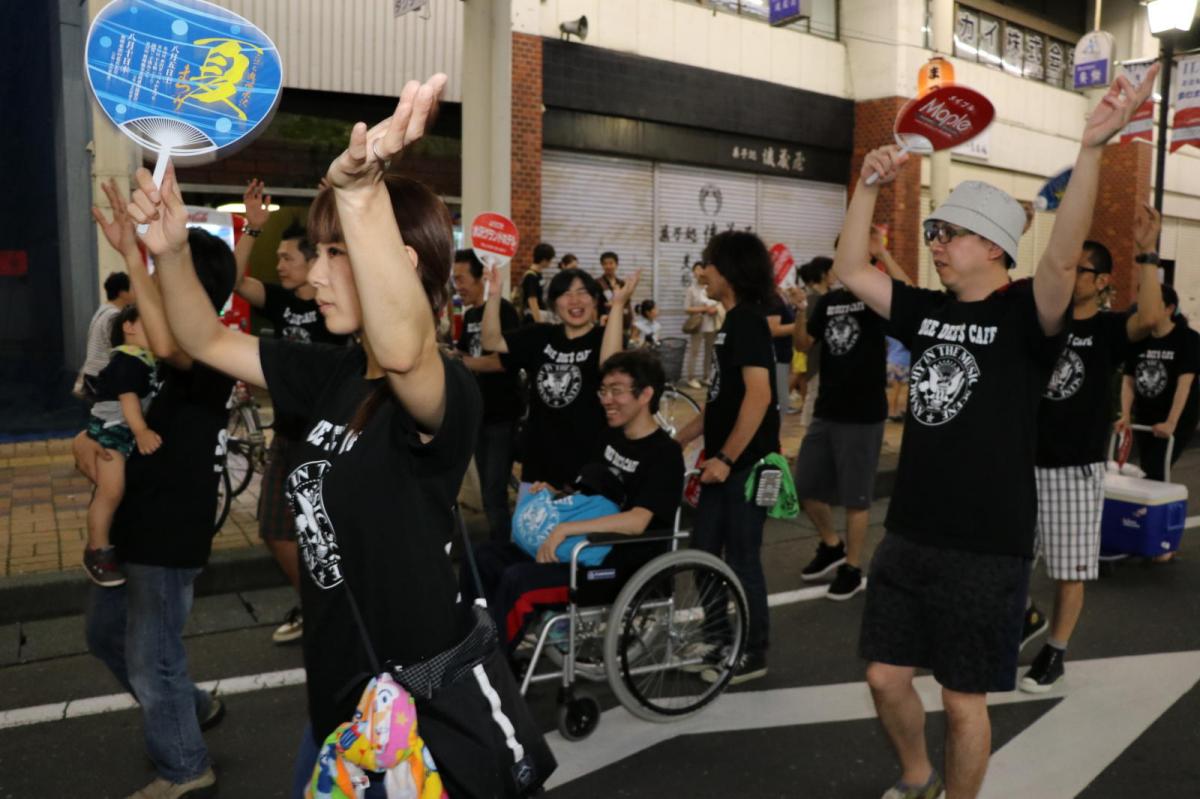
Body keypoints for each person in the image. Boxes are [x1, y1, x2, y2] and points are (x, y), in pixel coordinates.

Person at [122, 76, 533, 798]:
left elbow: (405, 350)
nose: (312, 276)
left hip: (415, 722)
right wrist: (173, 250)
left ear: (399, 263)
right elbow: (202, 339)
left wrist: (362, 191)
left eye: (331, 253)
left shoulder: (445, 387)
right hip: (341, 710)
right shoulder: (329, 373)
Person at [840, 66, 1156, 799]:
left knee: (962, 700)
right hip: (910, 533)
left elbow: (1062, 256)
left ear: (992, 246)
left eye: (947, 233)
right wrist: (866, 185)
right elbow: (853, 267)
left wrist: (1092, 148)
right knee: (884, 676)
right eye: (934, 233)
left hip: (987, 544)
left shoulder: (1026, 317)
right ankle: (917, 775)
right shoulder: (928, 311)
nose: (935, 243)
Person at [80, 179, 237, 798]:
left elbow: (174, 345)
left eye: (170, 269)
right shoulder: (145, 349)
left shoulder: (210, 352)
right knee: (105, 635)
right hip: (134, 525)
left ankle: (184, 767)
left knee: (153, 658)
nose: (157, 281)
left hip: (168, 535)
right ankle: (187, 707)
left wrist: (134, 252)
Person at [1021, 216, 1165, 694]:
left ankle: (1055, 652)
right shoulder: (1045, 321)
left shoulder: (1107, 330)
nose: (1069, 275)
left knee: (1069, 569)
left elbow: (1149, 318)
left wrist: (1147, 253)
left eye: (1080, 270)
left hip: (1074, 468)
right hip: (1024, 461)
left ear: (1102, 281)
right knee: (1010, 557)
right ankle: (1025, 617)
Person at [461, 349, 684, 651]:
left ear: (645, 394)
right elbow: (588, 493)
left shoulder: (665, 454)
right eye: (603, 390)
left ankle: (487, 664)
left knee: (519, 581)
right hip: (576, 548)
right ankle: (470, 640)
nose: (606, 399)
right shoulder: (609, 436)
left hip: (615, 565)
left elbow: (637, 521)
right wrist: (555, 494)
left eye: (616, 391)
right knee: (482, 557)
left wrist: (566, 529)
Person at [232, 179, 349, 646]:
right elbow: (233, 281)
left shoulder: (338, 307)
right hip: (286, 435)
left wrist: (335, 207)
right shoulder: (280, 301)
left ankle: (336, 610)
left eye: (287, 258)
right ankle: (317, 605)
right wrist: (252, 229)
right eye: (278, 258)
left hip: (328, 443)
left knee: (327, 535)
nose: (279, 265)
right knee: (275, 529)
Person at [674, 231, 780, 685]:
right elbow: (722, 401)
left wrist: (726, 458)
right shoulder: (730, 322)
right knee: (703, 553)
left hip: (748, 467)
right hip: (721, 465)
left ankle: (753, 651)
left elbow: (759, 396)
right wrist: (681, 438)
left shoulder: (748, 322)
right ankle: (718, 637)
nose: (703, 272)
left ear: (730, 271)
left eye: (709, 264)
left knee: (741, 559)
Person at [792, 248, 889, 601]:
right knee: (805, 484)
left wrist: (884, 252)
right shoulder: (830, 301)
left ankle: (852, 567)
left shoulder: (876, 297)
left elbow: (908, 296)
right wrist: (801, 308)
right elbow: (804, 343)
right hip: (826, 410)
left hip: (862, 414)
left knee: (856, 497)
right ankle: (832, 545)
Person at [483, 265, 619, 494]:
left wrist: (618, 306)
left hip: (588, 462)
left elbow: (611, 368)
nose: (575, 300)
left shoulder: (603, 339)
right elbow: (490, 341)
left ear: (595, 300)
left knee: (579, 518)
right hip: (539, 460)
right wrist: (494, 295)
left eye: (583, 292)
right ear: (554, 304)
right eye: (566, 294)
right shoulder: (540, 335)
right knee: (532, 517)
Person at [81, 305, 162, 588]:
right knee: (111, 490)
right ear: (129, 327)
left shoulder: (145, 358)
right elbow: (128, 399)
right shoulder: (128, 359)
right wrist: (141, 431)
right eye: (150, 321)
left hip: (121, 430)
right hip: (111, 432)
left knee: (115, 490)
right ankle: (97, 550)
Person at [451, 248, 522, 542]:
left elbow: (502, 362)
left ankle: (502, 551)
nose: (457, 286)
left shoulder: (504, 310)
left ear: (481, 278)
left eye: (461, 278)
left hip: (502, 416)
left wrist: (463, 362)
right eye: (454, 279)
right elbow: (466, 355)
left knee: (494, 493)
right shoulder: (469, 315)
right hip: (478, 417)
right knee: (488, 491)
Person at [1119, 282, 1200, 481]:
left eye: (1152, 304)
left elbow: (1184, 385)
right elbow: (1129, 379)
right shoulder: (1139, 338)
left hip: (1177, 417)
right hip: (1146, 415)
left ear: (1169, 309)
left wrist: (1171, 423)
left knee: (1155, 469)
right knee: (1147, 469)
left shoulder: (1188, 339)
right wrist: (1125, 415)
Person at [76, 271, 134, 402]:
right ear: (122, 293)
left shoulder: (103, 311)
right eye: (133, 288)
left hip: (93, 374)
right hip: (102, 376)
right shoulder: (113, 316)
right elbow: (120, 348)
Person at [797, 256, 833, 426]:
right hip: (817, 357)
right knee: (814, 395)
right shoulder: (813, 300)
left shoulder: (828, 298)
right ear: (824, 274)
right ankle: (809, 431)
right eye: (832, 271)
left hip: (827, 358)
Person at [684, 261, 721, 389]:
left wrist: (715, 309)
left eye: (701, 269)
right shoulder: (691, 290)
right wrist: (704, 309)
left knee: (709, 351)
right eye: (696, 269)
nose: (699, 272)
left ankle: (706, 376)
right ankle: (691, 378)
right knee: (694, 351)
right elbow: (687, 308)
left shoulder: (711, 287)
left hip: (711, 323)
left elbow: (719, 303)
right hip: (698, 324)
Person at [766, 287, 797, 414]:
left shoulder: (781, 296)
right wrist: (801, 326)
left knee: (782, 396)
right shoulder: (773, 299)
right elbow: (773, 329)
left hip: (785, 352)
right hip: (777, 354)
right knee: (780, 400)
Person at [598, 250, 633, 332]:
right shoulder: (597, 283)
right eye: (605, 264)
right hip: (604, 323)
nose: (608, 266)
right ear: (602, 265)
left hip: (621, 322)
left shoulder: (622, 283)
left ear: (616, 264)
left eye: (611, 263)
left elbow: (627, 303)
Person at [520, 242, 555, 323]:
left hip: (539, 313)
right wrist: (538, 323)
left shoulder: (538, 274)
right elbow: (532, 300)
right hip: (533, 316)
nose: (551, 262)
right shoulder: (531, 276)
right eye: (550, 260)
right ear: (544, 260)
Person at [885, 336, 910, 421]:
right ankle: (898, 412)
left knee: (893, 390)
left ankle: (891, 413)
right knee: (904, 389)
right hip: (905, 362)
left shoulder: (891, 333)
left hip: (891, 361)